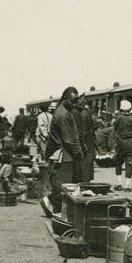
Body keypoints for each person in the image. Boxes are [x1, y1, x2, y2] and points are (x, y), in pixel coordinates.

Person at [41, 87, 83, 215]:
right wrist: (78, 153)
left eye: (76, 101)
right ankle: (53, 203)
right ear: (65, 99)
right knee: (65, 184)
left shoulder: (61, 111)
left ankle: (54, 205)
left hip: (61, 153)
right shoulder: (64, 114)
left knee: (61, 182)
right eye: (72, 101)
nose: (74, 104)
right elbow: (68, 140)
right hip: (65, 154)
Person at [113, 100, 132, 191]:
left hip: (120, 143)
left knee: (118, 163)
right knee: (129, 164)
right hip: (130, 143)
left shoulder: (118, 118)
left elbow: (115, 129)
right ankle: (127, 186)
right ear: (130, 109)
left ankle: (119, 184)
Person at [75, 96, 96, 182]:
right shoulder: (85, 113)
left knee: (84, 167)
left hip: (86, 144)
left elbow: (83, 131)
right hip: (88, 144)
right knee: (86, 167)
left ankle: (84, 184)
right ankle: (85, 184)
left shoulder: (82, 114)